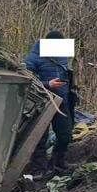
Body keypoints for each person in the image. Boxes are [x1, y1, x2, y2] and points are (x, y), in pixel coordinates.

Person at [25, 30, 74, 177]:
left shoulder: (63, 55)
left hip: (62, 101)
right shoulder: (33, 58)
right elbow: (27, 79)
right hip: (42, 102)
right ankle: (38, 169)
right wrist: (48, 84)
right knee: (40, 137)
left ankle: (58, 162)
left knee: (65, 134)